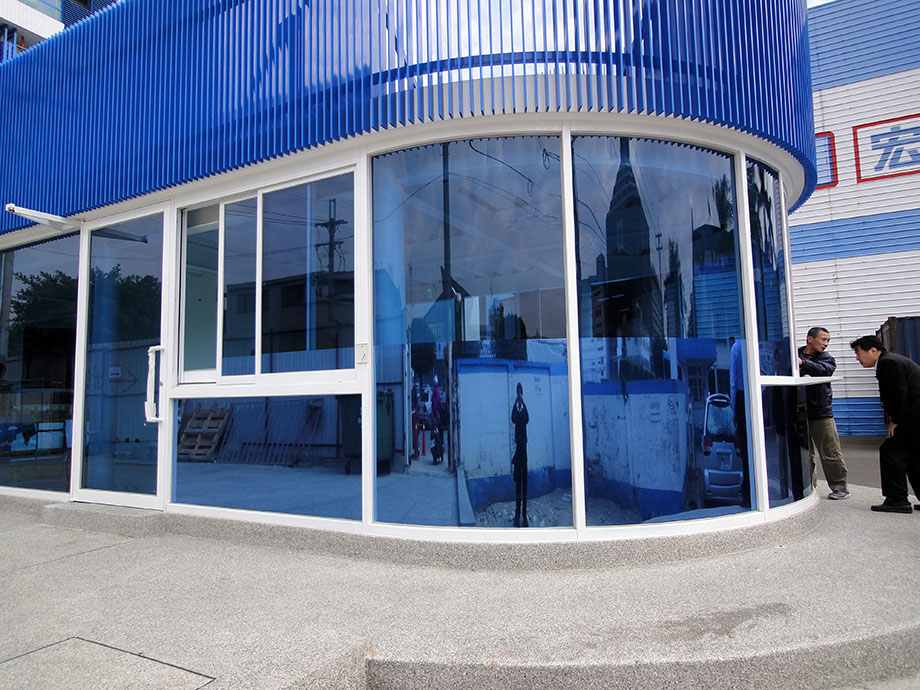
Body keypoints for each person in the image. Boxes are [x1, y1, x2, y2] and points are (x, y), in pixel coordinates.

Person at [850, 335, 920, 513]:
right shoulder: (891, 361)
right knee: (912, 457)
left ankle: (897, 500)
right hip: (914, 415)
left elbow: (898, 393)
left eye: (858, 353)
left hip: (912, 415)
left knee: (891, 453)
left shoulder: (888, 363)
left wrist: (895, 420)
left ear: (873, 351)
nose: (857, 358)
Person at [798, 327, 849, 499]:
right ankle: (808, 487)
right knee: (805, 453)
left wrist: (803, 364)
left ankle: (840, 487)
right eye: (823, 339)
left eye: (828, 340)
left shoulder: (826, 359)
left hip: (821, 411)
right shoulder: (794, 355)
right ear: (810, 339)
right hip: (799, 412)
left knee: (830, 451)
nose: (826, 343)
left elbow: (825, 370)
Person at [511, 382, 529, 527]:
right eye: (518, 392)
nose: (519, 394)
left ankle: (524, 515)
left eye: (520, 392)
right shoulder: (516, 410)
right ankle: (517, 515)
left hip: (524, 450)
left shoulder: (523, 409)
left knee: (525, 484)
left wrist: (523, 404)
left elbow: (527, 419)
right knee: (518, 484)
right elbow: (513, 419)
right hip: (518, 450)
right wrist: (516, 404)